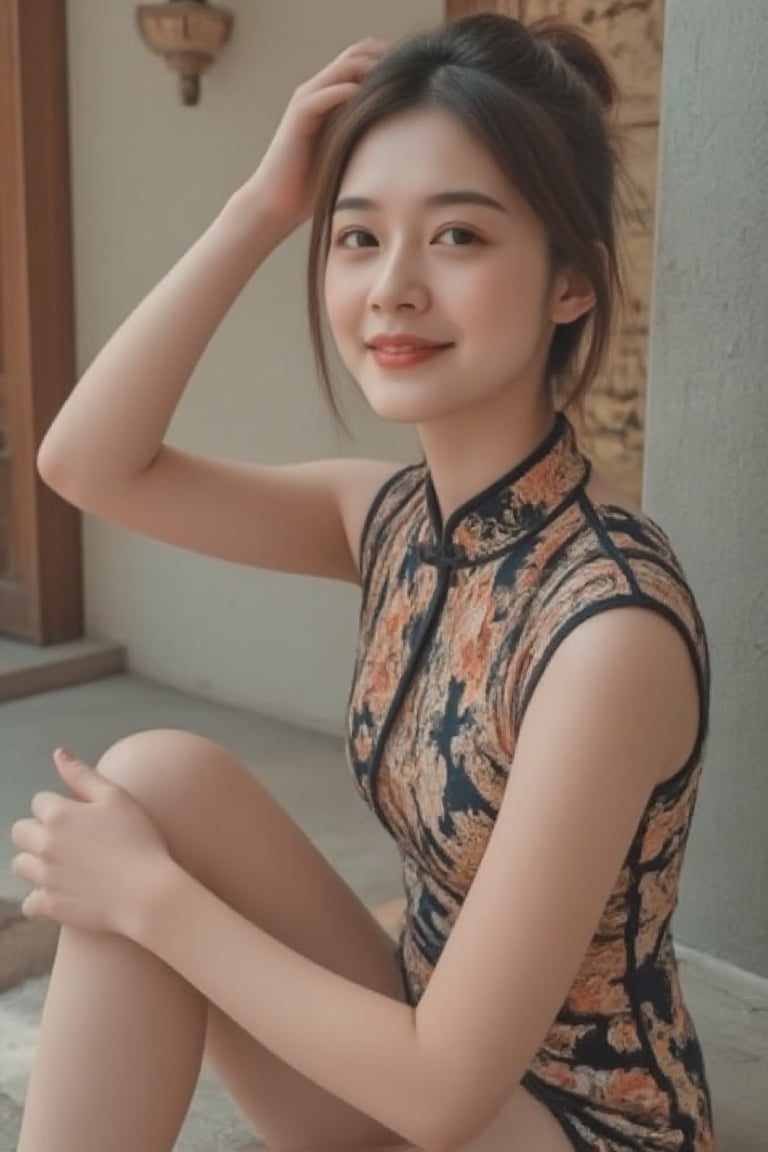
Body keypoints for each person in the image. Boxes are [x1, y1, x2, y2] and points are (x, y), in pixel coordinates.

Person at [10, 12, 714, 1152]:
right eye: (356, 238)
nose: (391, 287)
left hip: (568, 1125)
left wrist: (149, 899)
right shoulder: (387, 518)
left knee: (142, 865)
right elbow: (85, 463)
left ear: (570, 287)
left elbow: (441, 1095)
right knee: (155, 781)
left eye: (459, 238)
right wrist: (262, 210)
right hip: (414, 1055)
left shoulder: (606, 631)